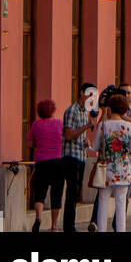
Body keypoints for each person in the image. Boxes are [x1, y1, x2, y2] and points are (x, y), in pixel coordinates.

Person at [89, 93, 131, 233]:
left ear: (110, 108)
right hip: (123, 171)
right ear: (124, 109)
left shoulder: (104, 126)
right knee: (121, 203)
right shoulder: (128, 127)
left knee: (103, 202)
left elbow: (95, 147)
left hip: (106, 170)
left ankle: (102, 230)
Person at [61, 81, 98, 233]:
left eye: (94, 96)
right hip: (71, 156)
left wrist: (85, 140)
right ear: (82, 93)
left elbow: (78, 134)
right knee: (71, 192)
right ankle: (69, 227)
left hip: (81, 155)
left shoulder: (84, 112)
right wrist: (86, 127)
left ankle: (71, 224)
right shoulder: (72, 111)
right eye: (90, 94)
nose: (92, 98)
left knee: (76, 192)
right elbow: (68, 135)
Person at [28, 99, 64, 232]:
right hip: (57, 162)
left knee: (40, 193)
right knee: (56, 193)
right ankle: (54, 226)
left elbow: (30, 144)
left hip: (41, 162)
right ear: (53, 110)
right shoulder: (60, 124)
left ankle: (38, 217)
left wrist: (40, 144)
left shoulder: (36, 125)